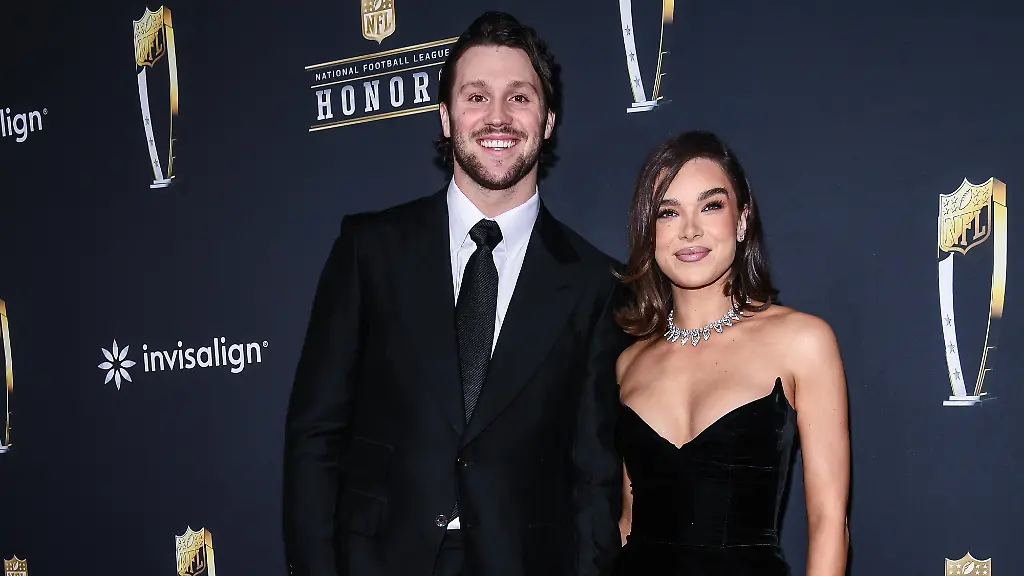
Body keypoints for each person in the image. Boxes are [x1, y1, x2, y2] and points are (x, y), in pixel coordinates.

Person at [282, 11, 631, 576]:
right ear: (446, 117)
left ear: (547, 122)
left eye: (519, 97)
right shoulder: (369, 250)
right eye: (476, 96)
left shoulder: (596, 284)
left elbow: (594, 478)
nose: (498, 117)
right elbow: (316, 435)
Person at [610, 130, 850, 575]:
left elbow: (828, 521)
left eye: (711, 205)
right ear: (650, 230)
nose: (690, 229)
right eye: (668, 212)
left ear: (741, 220)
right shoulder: (629, 363)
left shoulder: (803, 342)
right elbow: (628, 523)